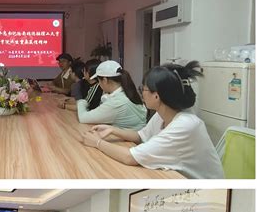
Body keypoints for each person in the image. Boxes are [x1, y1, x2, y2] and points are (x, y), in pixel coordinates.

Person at [81, 61, 225, 179]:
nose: (141, 93)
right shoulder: (162, 114)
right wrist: (113, 130)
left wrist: (97, 143)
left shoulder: (186, 125)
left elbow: (129, 157)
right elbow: (140, 136)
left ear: (156, 96)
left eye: (143, 89)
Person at [77, 60, 147, 130]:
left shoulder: (116, 102)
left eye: (99, 81)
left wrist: (81, 102)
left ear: (104, 80)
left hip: (128, 140)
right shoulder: (127, 92)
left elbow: (83, 118)